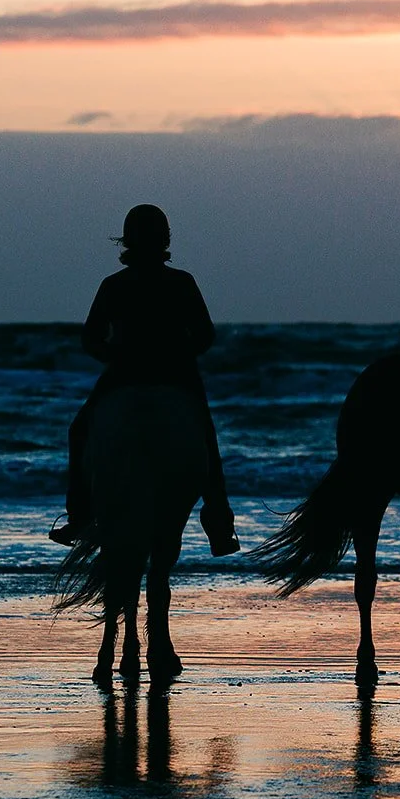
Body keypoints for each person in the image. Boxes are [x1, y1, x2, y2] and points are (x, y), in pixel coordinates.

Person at [51, 204, 238, 555]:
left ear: (127, 241)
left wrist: (113, 353)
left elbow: (90, 338)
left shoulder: (114, 285)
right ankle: (219, 525)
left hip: (124, 374)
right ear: (164, 239)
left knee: (79, 432)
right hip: (176, 375)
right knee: (207, 441)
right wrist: (180, 350)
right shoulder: (181, 282)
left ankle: (80, 516)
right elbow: (206, 335)